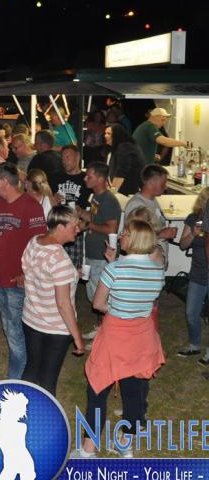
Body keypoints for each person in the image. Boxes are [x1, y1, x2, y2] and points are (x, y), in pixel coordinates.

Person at [74, 219, 165, 458]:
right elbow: (142, 300)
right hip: (142, 337)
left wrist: (115, 306)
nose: (121, 235)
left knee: (97, 390)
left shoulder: (114, 269)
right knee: (134, 393)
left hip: (115, 337)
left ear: (134, 239)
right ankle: (126, 444)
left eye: (125, 233)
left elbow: (98, 304)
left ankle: (88, 449)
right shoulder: (158, 271)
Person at [0, 163, 47, 379]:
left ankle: (17, 380)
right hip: (2, 279)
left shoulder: (31, 207)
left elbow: (41, 245)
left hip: (19, 282)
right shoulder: (0, 204)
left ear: (5, 181)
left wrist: (27, 273)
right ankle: (24, 375)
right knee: (10, 329)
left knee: (16, 333)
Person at [21, 205, 84, 395]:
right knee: (48, 380)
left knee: (32, 369)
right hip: (55, 328)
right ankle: (46, 412)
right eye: (74, 226)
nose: (78, 229)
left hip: (31, 319)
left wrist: (72, 276)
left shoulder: (35, 242)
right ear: (60, 227)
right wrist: (77, 337)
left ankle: (20, 406)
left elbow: (34, 273)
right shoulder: (59, 258)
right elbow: (63, 304)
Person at [77, 162, 121, 342]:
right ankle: (101, 329)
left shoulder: (108, 200)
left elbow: (111, 228)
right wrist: (81, 212)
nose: (85, 178)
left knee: (101, 298)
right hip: (94, 253)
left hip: (103, 255)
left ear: (101, 179)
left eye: (90, 176)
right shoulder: (96, 197)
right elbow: (96, 219)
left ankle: (105, 335)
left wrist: (88, 225)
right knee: (94, 295)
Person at [124, 164, 178, 266]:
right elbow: (135, 238)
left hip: (155, 262)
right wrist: (162, 234)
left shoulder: (152, 201)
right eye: (163, 183)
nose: (166, 187)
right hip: (144, 266)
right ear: (152, 182)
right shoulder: (136, 205)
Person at [177, 187, 209, 360]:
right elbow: (183, 245)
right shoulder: (193, 219)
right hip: (197, 272)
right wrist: (193, 234)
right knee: (191, 313)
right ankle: (195, 345)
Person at [0, 389, 36, 480]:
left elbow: (21, 448)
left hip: (25, 463)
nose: (22, 414)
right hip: (10, 465)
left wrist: (31, 471)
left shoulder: (22, 427)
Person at [54, 145, 91, 270]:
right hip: (59, 228)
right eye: (63, 158)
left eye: (67, 157)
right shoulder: (56, 177)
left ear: (77, 157)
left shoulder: (86, 179)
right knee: (58, 266)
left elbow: (93, 207)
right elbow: (47, 203)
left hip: (78, 229)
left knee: (75, 268)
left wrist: (85, 223)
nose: (64, 161)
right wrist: (53, 199)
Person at [105, 123, 146, 195]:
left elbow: (121, 171)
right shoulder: (120, 146)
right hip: (121, 187)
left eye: (109, 133)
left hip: (126, 189)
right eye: (105, 133)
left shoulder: (124, 147)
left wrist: (112, 193)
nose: (105, 136)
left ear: (117, 135)